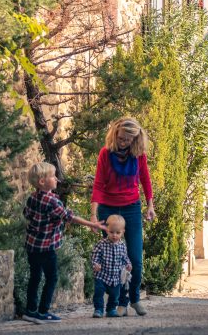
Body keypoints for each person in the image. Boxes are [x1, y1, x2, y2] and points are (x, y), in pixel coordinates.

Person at [22, 162, 105, 324]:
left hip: (32, 246)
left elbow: (26, 214)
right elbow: (69, 217)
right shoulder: (52, 202)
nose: (57, 179)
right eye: (53, 176)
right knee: (52, 278)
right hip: (46, 248)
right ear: (42, 181)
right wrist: (92, 224)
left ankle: (30, 311)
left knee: (35, 277)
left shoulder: (32, 198)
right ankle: (43, 312)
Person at [90, 117, 155, 317]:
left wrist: (150, 205)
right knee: (112, 261)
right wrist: (93, 215)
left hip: (132, 208)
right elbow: (99, 184)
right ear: (115, 133)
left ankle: (133, 299)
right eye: (121, 138)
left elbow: (145, 179)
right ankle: (117, 304)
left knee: (135, 259)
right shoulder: (105, 154)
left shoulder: (139, 155)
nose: (123, 142)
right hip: (108, 210)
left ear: (135, 139)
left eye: (128, 139)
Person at [91, 214, 132, 318]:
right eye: (111, 232)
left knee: (115, 295)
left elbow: (124, 257)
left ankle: (111, 309)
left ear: (123, 232)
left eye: (118, 233)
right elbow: (95, 255)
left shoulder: (122, 245)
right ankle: (98, 309)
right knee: (99, 293)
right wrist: (96, 264)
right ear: (106, 230)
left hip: (115, 277)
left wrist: (128, 264)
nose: (114, 235)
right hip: (102, 275)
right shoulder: (101, 244)